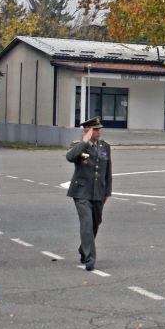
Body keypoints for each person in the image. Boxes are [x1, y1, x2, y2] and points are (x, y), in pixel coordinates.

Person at [64, 116, 113, 271]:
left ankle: (83, 248)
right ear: (87, 130)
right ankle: (90, 258)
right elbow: (70, 157)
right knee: (86, 223)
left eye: (99, 129)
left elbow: (108, 171)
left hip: (98, 191)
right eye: (95, 129)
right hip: (81, 191)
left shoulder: (105, 146)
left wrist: (107, 192)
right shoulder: (78, 146)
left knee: (95, 223)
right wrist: (85, 141)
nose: (99, 132)